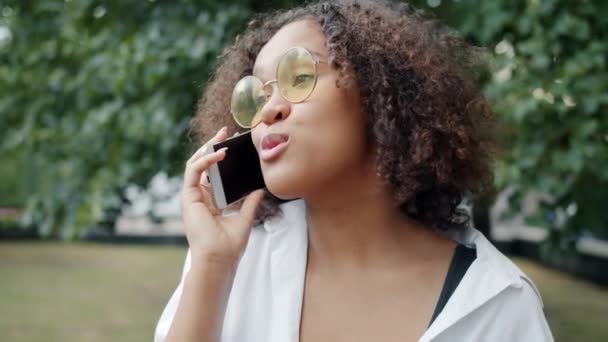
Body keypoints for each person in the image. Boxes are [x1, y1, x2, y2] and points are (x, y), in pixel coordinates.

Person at [155, 1, 554, 341]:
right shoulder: (232, 259)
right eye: (255, 95)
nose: (269, 110)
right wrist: (212, 265)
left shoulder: (498, 305)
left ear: (380, 96)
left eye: (299, 76)